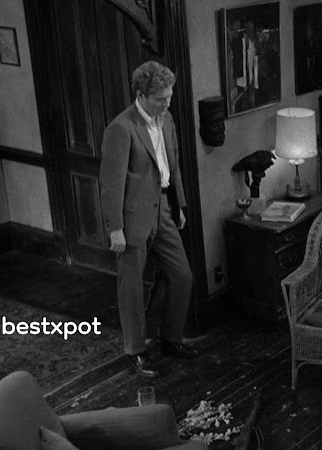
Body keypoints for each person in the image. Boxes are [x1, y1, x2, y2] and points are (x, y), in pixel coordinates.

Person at [99, 60, 199, 379]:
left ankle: (170, 338)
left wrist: (178, 205)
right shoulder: (121, 128)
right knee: (131, 287)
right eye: (160, 98)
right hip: (132, 218)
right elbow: (111, 183)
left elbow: (173, 165)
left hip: (164, 210)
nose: (167, 103)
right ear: (141, 95)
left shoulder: (167, 119)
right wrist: (115, 228)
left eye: (169, 96)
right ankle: (135, 351)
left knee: (182, 275)